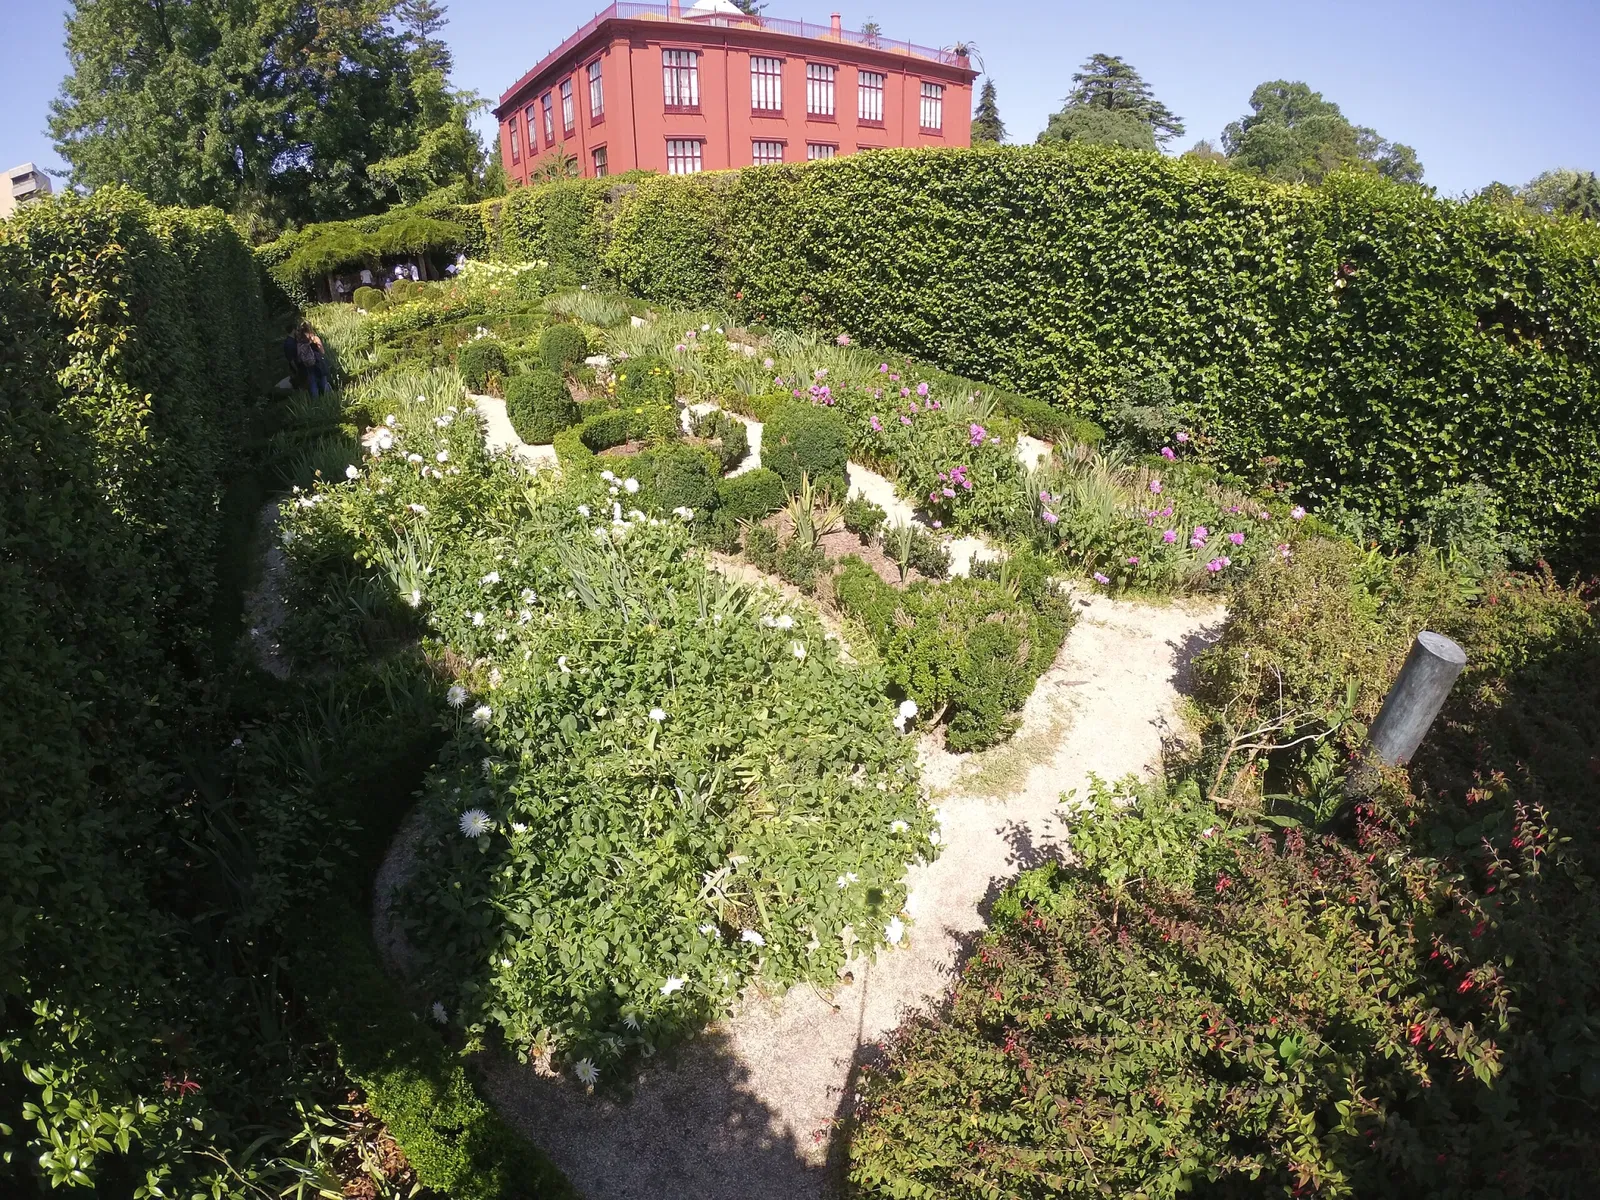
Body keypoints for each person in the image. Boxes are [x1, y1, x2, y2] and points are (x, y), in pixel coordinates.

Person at [296, 323, 330, 397]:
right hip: (318, 362)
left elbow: (299, 356)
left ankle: (316, 401)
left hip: (307, 364)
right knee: (323, 380)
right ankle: (327, 398)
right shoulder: (315, 338)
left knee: (313, 383)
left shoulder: (299, 342)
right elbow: (322, 351)